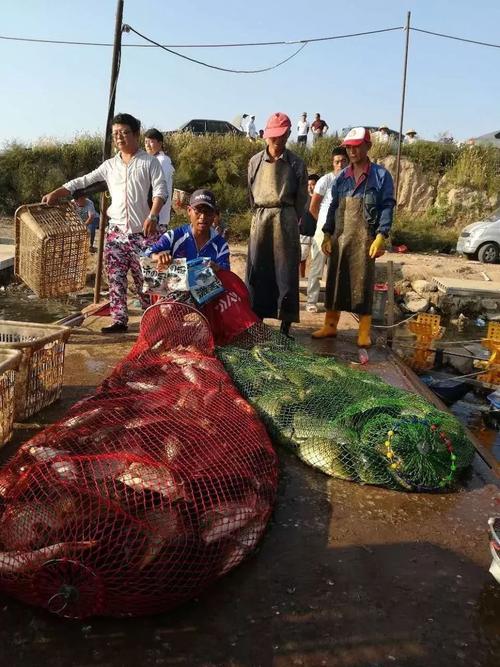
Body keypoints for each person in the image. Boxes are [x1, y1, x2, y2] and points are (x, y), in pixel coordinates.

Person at [42, 112, 168, 334]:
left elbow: (161, 191)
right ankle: (119, 320)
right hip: (116, 234)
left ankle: (152, 320)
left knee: (146, 281)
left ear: (136, 134)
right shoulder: (109, 165)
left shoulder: (150, 163)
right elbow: (83, 181)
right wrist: (57, 192)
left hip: (143, 234)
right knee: (115, 278)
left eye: (124, 133)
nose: (119, 138)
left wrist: (154, 215)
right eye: (115, 134)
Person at [313, 127, 395, 347]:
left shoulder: (380, 176)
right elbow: (332, 207)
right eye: (349, 147)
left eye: (357, 146)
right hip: (340, 237)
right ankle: (330, 326)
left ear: (368, 146)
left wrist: (381, 235)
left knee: (363, 282)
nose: (352, 151)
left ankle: (364, 331)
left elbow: (387, 206)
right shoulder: (342, 178)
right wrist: (327, 234)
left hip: (365, 238)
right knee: (334, 281)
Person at [246, 112, 308, 338]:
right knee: (258, 268)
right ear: (265, 135)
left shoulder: (297, 164)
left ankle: (285, 326)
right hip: (261, 218)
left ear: (289, 134)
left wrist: (289, 217)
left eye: (281, 136)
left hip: (285, 218)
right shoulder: (254, 162)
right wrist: (261, 214)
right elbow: (250, 195)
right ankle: (257, 320)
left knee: (286, 271)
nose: (276, 141)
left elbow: (302, 198)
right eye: (272, 136)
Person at [305, 147, 348, 312]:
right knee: (317, 266)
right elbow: (313, 207)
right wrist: (323, 225)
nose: (340, 164)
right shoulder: (325, 180)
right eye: (337, 161)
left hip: (342, 232)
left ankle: (333, 302)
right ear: (333, 162)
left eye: (343, 161)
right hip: (323, 231)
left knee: (337, 269)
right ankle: (311, 301)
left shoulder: (351, 182)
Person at [145, 189, 229, 271]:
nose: (203, 217)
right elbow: (146, 254)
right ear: (189, 211)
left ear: (214, 214)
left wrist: (217, 268)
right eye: (198, 211)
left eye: (208, 212)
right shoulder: (173, 236)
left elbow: (226, 273)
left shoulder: (221, 245)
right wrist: (158, 257)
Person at [144, 128, 175, 228]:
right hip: (149, 216)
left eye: (151, 141)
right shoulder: (152, 160)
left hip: (157, 218)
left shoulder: (163, 161)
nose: (147, 145)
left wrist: (153, 215)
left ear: (160, 143)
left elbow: (159, 188)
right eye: (145, 142)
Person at [299, 174, 320, 278]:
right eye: (308, 185)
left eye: (313, 184)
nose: (310, 187)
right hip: (304, 233)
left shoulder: (322, 199)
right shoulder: (302, 199)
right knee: (301, 258)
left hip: (318, 234)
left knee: (318, 260)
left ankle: (316, 279)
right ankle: (301, 278)